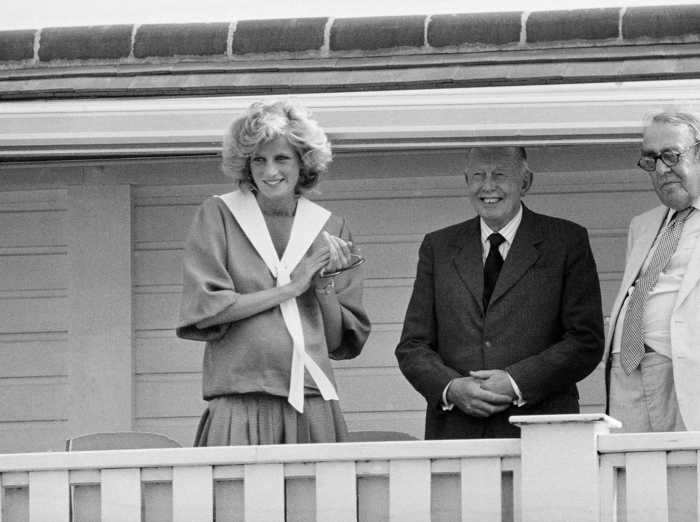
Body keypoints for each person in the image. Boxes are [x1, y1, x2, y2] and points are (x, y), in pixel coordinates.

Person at [176, 100, 370, 446]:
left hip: (312, 401)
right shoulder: (219, 214)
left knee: (320, 501)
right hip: (240, 400)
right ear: (245, 164)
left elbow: (339, 342)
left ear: (303, 163)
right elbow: (207, 310)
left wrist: (322, 286)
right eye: (258, 160)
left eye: (281, 159)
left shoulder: (330, 227)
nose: (270, 171)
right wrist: (291, 288)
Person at [395, 146, 604, 439]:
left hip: (542, 432)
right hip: (457, 432)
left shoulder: (566, 241)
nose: (488, 186)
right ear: (466, 180)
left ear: (526, 182)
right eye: (478, 175)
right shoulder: (438, 247)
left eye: (500, 175)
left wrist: (516, 382)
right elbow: (413, 346)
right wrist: (452, 389)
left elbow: (586, 341)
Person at [605, 111, 700, 432]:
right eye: (651, 159)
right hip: (625, 368)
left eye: (671, 156)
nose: (661, 169)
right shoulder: (643, 225)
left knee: (686, 476)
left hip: (682, 369)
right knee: (632, 474)